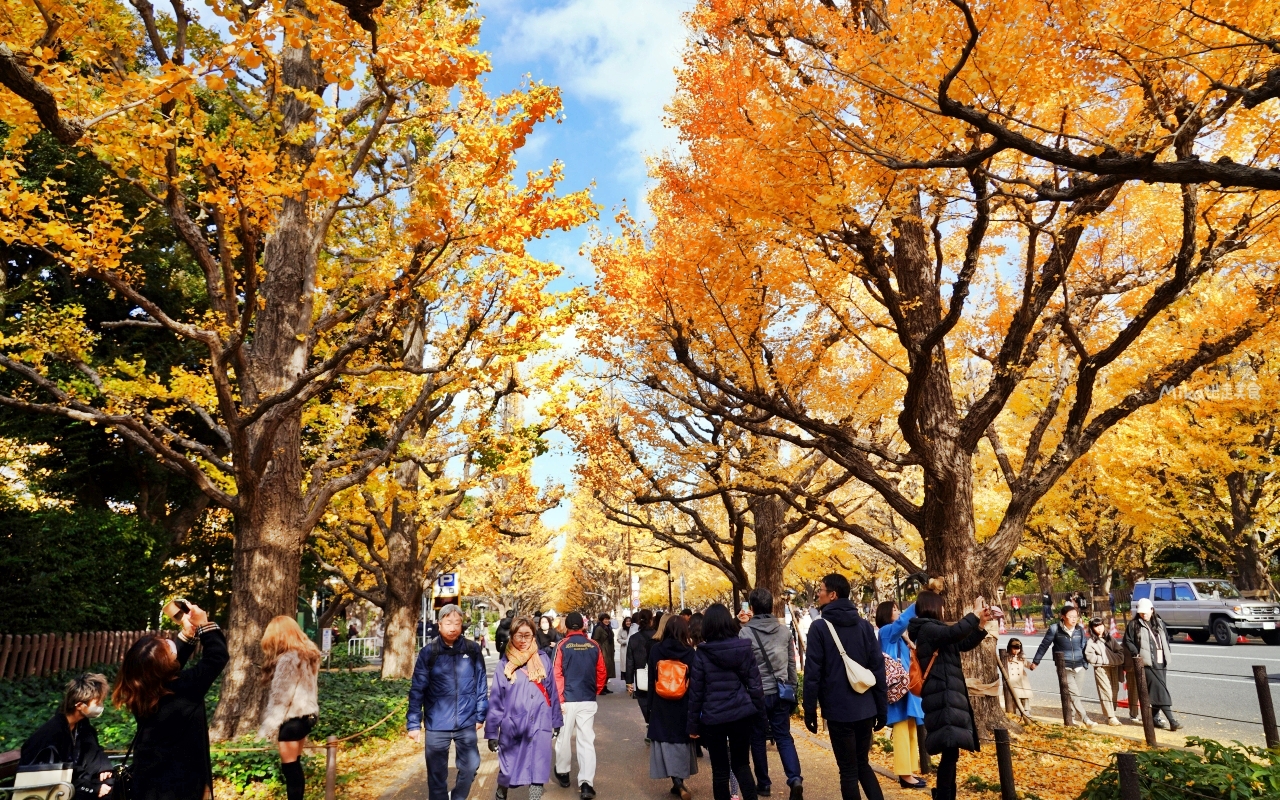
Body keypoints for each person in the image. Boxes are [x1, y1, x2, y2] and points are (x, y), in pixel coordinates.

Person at [113, 604, 228, 800]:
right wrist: (204, 624)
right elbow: (217, 657)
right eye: (165, 646)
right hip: (181, 786)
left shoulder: (142, 689)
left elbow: (166, 669)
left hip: (149, 781)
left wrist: (188, 634)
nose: (169, 641)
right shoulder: (184, 688)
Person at [906, 581, 995, 800]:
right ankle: (945, 796)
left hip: (946, 695)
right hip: (942, 697)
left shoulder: (936, 631)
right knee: (949, 749)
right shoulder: (928, 629)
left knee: (951, 752)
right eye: (942, 606)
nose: (944, 610)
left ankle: (945, 795)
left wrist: (980, 625)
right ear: (933, 607)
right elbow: (956, 633)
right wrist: (973, 614)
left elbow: (961, 643)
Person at [803, 574, 887, 800]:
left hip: (839, 711)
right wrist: (881, 708)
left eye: (821, 590)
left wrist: (809, 709)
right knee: (863, 764)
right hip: (866, 707)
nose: (818, 594)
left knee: (848, 771)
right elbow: (878, 669)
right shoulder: (864, 626)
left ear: (833, 595)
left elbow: (813, 673)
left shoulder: (819, 628)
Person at [407, 603, 488, 800]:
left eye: (457, 623)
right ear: (439, 624)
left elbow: (481, 685)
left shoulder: (473, 649)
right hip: (437, 723)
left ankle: (457, 797)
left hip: (466, 721)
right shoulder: (429, 652)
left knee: (470, 767)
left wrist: (480, 715)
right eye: (448, 622)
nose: (453, 627)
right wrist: (413, 723)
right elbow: (417, 689)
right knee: (436, 777)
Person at [687, 603, 764, 800]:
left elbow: (696, 693)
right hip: (741, 714)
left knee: (720, 770)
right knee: (742, 765)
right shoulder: (744, 648)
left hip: (714, 718)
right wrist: (759, 713)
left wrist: (693, 726)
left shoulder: (702, 653)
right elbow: (755, 684)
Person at [486, 617, 563, 800]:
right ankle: (501, 791)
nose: (523, 640)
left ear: (533, 636)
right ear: (511, 636)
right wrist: (491, 733)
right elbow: (496, 699)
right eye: (518, 635)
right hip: (513, 723)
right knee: (508, 768)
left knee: (538, 768)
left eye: (527, 635)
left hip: (540, 721)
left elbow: (552, 691)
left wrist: (556, 721)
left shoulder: (543, 660)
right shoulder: (504, 664)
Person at [741, 587, 803, 799]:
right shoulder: (784, 631)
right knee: (784, 736)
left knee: (757, 738)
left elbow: (743, 667)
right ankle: (795, 779)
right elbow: (791, 665)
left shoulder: (745, 632)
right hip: (781, 691)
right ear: (771, 606)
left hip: (757, 693)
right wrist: (793, 688)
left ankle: (764, 784)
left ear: (752, 608)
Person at [20, 673, 115, 798]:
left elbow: (93, 752)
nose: (101, 706)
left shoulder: (82, 726)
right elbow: (53, 775)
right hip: (53, 790)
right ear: (80, 705)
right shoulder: (51, 734)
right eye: (97, 702)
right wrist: (93, 789)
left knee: (114, 783)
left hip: (73, 785)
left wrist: (104, 768)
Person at [258, 616, 322, 800]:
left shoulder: (288, 659)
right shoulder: (308, 655)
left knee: (290, 769)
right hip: (308, 716)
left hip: (293, 720)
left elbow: (281, 697)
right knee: (295, 765)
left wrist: (268, 728)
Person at [553, 612, 607, 799]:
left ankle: (563, 772)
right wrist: (596, 690)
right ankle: (586, 783)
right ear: (583, 626)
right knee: (586, 741)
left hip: (567, 698)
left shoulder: (562, 645)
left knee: (564, 737)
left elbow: (556, 674)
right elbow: (601, 670)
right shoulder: (593, 645)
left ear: (566, 626)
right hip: (587, 697)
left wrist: (558, 700)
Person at [647, 614, 700, 800]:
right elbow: (695, 682)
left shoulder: (656, 650)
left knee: (664, 742)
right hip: (683, 703)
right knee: (681, 742)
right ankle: (679, 782)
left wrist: (650, 707)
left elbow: (651, 679)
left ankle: (677, 783)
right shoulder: (690, 652)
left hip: (661, 702)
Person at [876, 600, 925, 790]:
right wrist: (919, 602)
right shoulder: (887, 631)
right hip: (898, 688)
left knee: (910, 729)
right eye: (894, 609)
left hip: (907, 688)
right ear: (885, 614)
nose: (898, 612)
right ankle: (905, 774)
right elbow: (902, 621)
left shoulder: (901, 636)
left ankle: (910, 771)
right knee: (902, 731)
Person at [1030, 604, 1094, 727]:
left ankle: (1071, 719)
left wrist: (1085, 664)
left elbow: (1084, 647)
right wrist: (1036, 661)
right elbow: (1044, 645)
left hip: (1080, 667)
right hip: (1065, 667)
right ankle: (1086, 719)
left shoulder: (1079, 629)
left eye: (1076, 616)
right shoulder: (1055, 629)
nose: (1074, 619)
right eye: (1071, 617)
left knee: (1076, 696)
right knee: (1075, 695)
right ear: (1063, 617)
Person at [1124, 598, 1180, 730]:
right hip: (1147, 663)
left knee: (1156, 692)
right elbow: (1127, 641)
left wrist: (1168, 654)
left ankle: (1153, 718)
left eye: (1146, 612)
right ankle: (1172, 721)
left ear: (1152, 610)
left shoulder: (1159, 622)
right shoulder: (1134, 624)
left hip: (1161, 661)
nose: (1143, 615)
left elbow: (1165, 639)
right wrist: (1136, 653)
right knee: (1160, 690)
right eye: (1141, 613)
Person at [1084, 617, 1124, 726]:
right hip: (1101, 668)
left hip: (1114, 667)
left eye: (1100, 625)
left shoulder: (1110, 638)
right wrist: (1103, 661)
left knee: (1114, 690)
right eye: (1096, 626)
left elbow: (1120, 651)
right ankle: (1111, 717)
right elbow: (1089, 656)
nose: (1099, 628)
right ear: (1092, 628)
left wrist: (1114, 659)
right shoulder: (1091, 641)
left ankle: (1111, 714)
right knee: (1106, 691)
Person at [627, 609, 657, 724]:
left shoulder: (634, 638)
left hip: (640, 675)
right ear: (651, 620)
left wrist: (629, 682)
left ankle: (649, 723)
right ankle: (654, 724)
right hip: (656, 673)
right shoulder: (658, 636)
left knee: (643, 700)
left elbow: (630, 661)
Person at [1004, 639, 1033, 713]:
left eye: (1018, 649)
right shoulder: (1006, 657)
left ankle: (1026, 713)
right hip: (1011, 680)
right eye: (1014, 648)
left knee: (1024, 697)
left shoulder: (1022, 657)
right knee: (1012, 698)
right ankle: (1013, 713)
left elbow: (1027, 664)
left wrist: (1032, 666)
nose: (1016, 651)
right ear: (1010, 648)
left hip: (1022, 681)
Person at [592, 614, 616, 694]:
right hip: (603, 651)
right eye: (605, 619)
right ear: (601, 620)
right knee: (603, 670)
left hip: (609, 651)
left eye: (608, 619)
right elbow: (595, 640)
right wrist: (600, 649)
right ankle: (600, 687)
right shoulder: (599, 628)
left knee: (608, 670)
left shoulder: (609, 628)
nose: (607, 621)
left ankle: (605, 686)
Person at [618, 616, 633, 682]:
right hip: (624, 649)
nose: (628, 622)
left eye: (629, 621)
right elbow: (618, 639)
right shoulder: (621, 630)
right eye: (627, 621)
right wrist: (625, 641)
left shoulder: (633, 629)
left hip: (632, 649)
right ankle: (627, 682)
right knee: (625, 667)